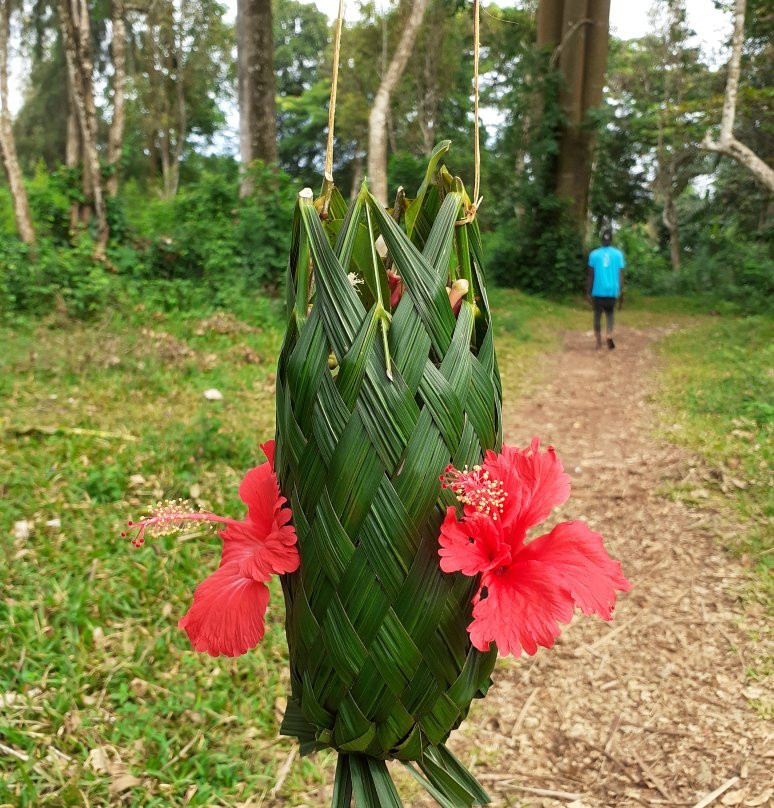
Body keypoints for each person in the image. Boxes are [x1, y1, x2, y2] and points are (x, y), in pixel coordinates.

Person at [586, 227, 625, 350]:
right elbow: (620, 275)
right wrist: (620, 290)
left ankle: (598, 343)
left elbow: (590, 276)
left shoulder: (594, 255)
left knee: (597, 315)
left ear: (601, 240)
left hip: (598, 291)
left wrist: (588, 291)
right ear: (611, 240)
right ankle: (608, 335)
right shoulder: (618, 255)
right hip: (612, 291)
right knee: (610, 314)